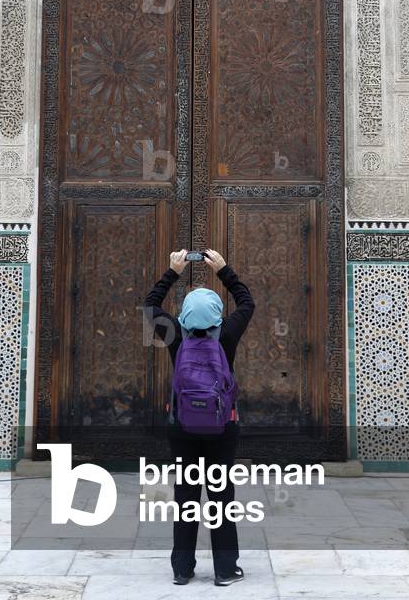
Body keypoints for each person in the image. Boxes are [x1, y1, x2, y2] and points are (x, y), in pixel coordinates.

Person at [144, 248, 255, 587]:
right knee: (221, 496)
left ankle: (182, 568)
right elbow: (247, 302)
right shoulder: (228, 333)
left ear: (187, 312)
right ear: (218, 313)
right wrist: (224, 270)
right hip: (223, 426)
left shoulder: (176, 333)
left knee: (186, 496)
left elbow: (150, 306)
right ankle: (225, 569)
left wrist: (172, 270)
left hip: (182, 427)